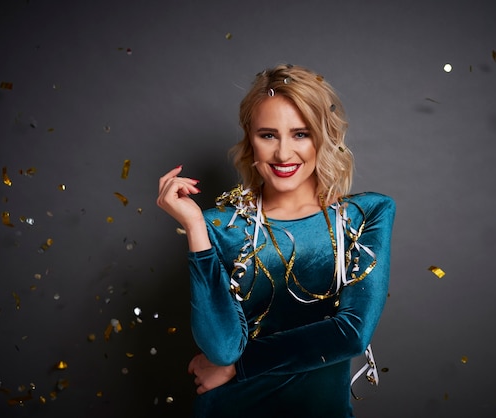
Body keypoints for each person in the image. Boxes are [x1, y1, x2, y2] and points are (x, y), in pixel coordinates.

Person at [157, 64, 395, 417]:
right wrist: (195, 228)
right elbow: (222, 350)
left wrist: (240, 366)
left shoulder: (365, 215)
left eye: (300, 134)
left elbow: (351, 334)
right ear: (249, 139)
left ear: (324, 136)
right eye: (268, 135)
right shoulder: (220, 226)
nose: (284, 154)